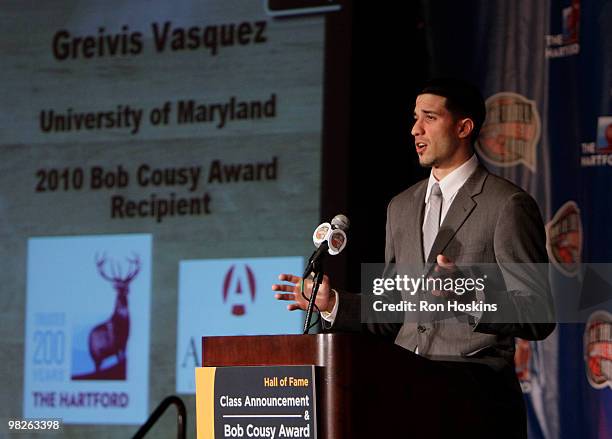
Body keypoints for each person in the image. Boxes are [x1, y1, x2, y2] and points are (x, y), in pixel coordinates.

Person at [272, 78, 555, 437]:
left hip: (474, 400)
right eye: (414, 118)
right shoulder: (401, 207)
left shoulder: (507, 205)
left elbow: (539, 313)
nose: (415, 129)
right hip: (402, 394)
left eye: (430, 117)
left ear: (464, 127)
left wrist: (471, 294)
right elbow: (393, 308)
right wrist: (334, 304)